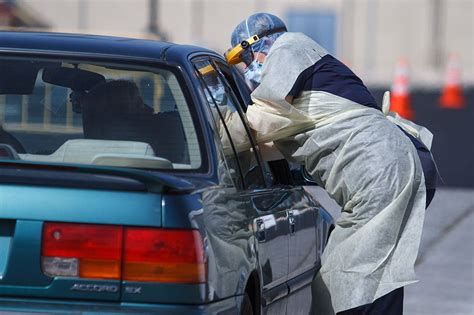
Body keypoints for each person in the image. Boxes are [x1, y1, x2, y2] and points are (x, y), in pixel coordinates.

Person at [226, 13, 437, 315]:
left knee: (346, 281)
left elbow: (259, 120)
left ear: (257, 44)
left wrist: (211, 134)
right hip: (397, 165)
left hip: (383, 172)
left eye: (246, 59)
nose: (249, 68)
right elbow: (276, 144)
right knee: (376, 278)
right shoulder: (308, 82)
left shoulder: (289, 47)